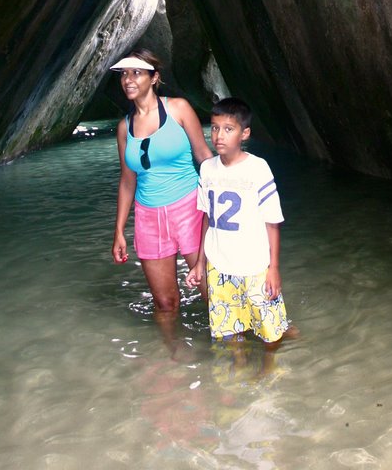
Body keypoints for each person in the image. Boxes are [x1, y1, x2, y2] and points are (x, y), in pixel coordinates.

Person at [111, 49, 212, 329]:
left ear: (154, 78)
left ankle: (233, 352)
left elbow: (204, 155)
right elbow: (127, 180)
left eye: (136, 73)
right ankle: (172, 358)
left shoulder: (178, 109)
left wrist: (233, 183)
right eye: (124, 74)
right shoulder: (124, 127)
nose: (128, 80)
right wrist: (119, 230)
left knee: (210, 290)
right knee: (165, 304)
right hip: (149, 218)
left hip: (189, 208)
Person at [186, 97, 290, 345]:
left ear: (245, 134)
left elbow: (272, 222)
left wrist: (273, 268)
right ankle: (235, 377)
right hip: (219, 266)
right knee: (229, 332)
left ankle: (270, 374)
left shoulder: (258, 168)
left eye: (228, 129)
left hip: (255, 265)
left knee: (271, 334)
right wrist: (200, 263)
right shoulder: (207, 169)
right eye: (214, 127)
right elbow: (206, 217)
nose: (219, 135)